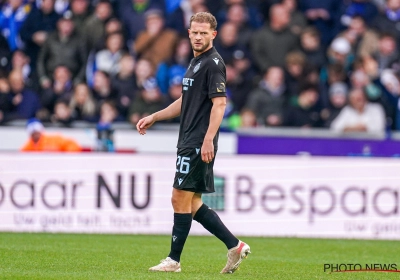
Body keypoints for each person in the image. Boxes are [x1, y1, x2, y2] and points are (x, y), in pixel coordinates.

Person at [136, 12, 250, 274]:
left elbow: (220, 103)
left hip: (198, 141)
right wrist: (155, 116)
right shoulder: (196, 62)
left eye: (203, 33)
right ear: (189, 33)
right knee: (192, 201)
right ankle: (234, 246)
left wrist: (208, 139)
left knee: (179, 197)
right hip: (190, 138)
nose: (198, 37)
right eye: (194, 32)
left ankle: (173, 260)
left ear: (213, 35)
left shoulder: (213, 63)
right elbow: (185, 101)